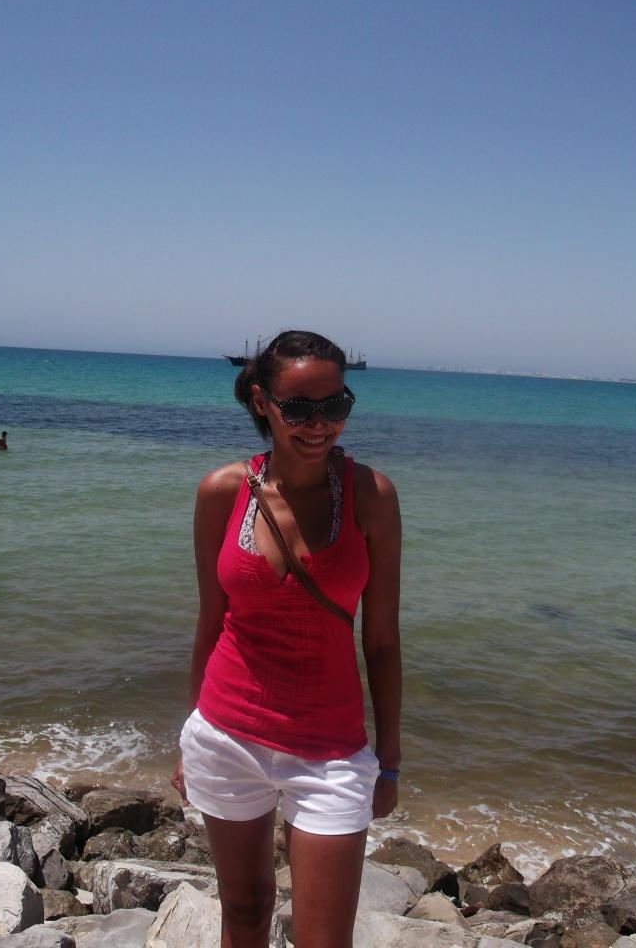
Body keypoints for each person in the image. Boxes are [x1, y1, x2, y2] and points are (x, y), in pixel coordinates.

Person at [172, 330, 402, 948]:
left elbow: (382, 641)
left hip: (331, 754)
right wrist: (189, 737)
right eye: (298, 408)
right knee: (244, 915)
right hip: (224, 736)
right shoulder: (220, 493)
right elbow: (211, 620)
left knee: (324, 939)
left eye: (336, 405)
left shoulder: (372, 497)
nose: (319, 424)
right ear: (261, 402)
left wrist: (389, 761)